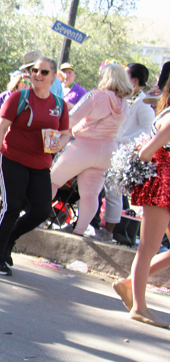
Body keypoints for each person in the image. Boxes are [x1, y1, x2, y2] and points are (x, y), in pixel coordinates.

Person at [0, 56, 69, 276]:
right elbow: (0, 127)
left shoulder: (59, 105)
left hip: (41, 164)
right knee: (12, 207)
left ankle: (10, 239)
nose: (37, 75)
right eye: (34, 70)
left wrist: (59, 144)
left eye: (44, 72)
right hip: (12, 158)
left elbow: (66, 133)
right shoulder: (19, 97)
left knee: (41, 210)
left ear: (53, 77)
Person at [111, 80, 170, 328]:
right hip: (162, 189)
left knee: (150, 247)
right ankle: (139, 307)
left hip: (165, 188)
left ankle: (128, 284)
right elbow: (146, 153)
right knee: (148, 248)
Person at [49, 63, 131, 238]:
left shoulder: (95, 96)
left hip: (84, 146)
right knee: (90, 194)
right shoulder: (124, 104)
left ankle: (36, 216)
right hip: (108, 151)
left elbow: (70, 119)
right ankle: (79, 230)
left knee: (52, 180)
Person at [105, 63, 156, 235]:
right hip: (111, 149)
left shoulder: (143, 103)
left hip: (124, 155)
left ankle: (109, 231)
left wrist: (121, 141)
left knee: (113, 192)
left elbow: (147, 131)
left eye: (125, 75)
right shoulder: (125, 99)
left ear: (135, 80)